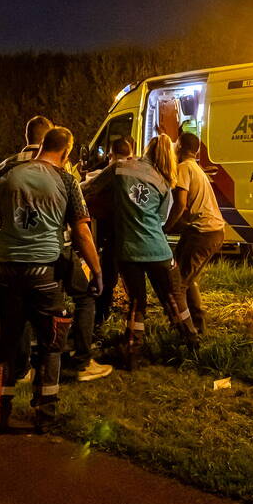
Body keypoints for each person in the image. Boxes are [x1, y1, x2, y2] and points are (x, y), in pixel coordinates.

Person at [0, 126, 102, 432]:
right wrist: (97, 269)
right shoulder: (67, 180)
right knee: (52, 344)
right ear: (65, 152)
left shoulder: (6, 172)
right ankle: (45, 415)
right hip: (45, 275)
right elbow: (81, 231)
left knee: (5, 344)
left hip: (7, 273)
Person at [88, 134, 198, 370]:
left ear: (145, 149)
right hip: (158, 250)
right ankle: (192, 345)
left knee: (137, 303)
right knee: (174, 299)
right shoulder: (164, 180)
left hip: (127, 252)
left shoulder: (119, 169)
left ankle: (132, 353)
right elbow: (161, 219)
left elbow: (91, 188)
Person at [165, 132, 225, 334]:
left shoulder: (184, 168)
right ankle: (198, 323)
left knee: (178, 284)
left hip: (203, 232)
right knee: (187, 280)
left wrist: (166, 227)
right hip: (212, 231)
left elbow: (180, 204)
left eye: (175, 144)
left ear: (180, 147)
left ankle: (185, 331)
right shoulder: (196, 168)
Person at [82, 136, 133, 328]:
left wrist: (71, 189)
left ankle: (100, 318)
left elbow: (91, 187)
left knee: (108, 273)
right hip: (135, 231)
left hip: (115, 229)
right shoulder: (139, 167)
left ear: (111, 155)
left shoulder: (116, 168)